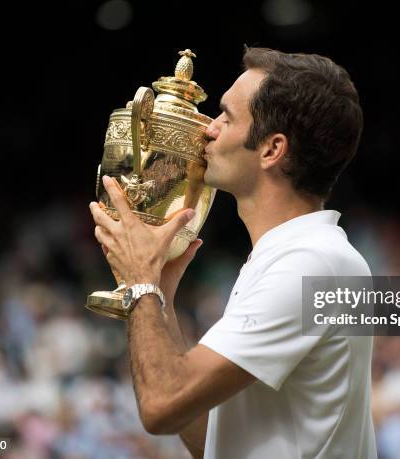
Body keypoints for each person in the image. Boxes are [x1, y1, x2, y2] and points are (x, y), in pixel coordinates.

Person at [89, 47, 376, 459]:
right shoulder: (292, 257)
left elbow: (160, 407)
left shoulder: (311, 266)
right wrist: (163, 299)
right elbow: (212, 440)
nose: (208, 129)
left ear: (271, 150)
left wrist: (141, 283)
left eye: (226, 116)